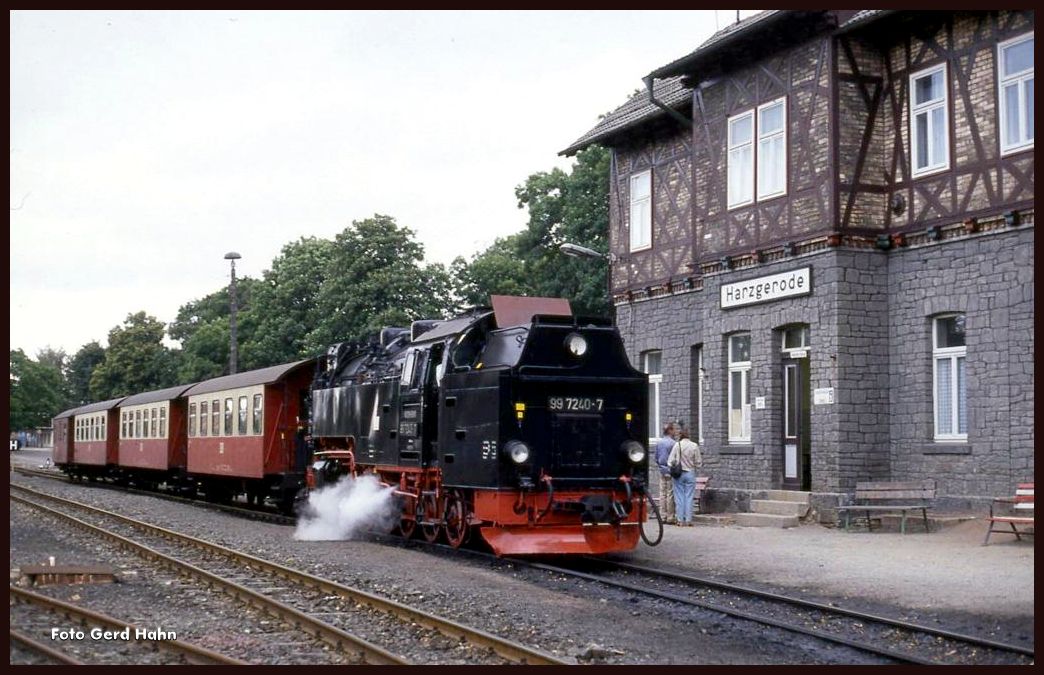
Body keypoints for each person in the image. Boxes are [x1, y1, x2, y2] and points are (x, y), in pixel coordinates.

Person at [668, 429, 702, 526]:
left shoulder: (677, 445)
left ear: (680, 436)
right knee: (689, 497)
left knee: (679, 497)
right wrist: (694, 465)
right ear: (688, 436)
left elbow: (670, 461)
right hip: (690, 473)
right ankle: (688, 520)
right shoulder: (694, 446)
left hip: (679, 474)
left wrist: (675, 464)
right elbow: (698, 462)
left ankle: (680, 520)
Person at [654, 422, 678, 525]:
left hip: (661, 470)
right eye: (673, 429)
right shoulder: (673, 443)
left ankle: (662, 516)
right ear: (669, 431)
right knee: (670, 494)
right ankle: (670, 517)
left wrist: (660, 466)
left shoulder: (659, 443)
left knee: (662, 494)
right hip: (670, 471)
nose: (675, 431)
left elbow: (656, 457)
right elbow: (675, 459)